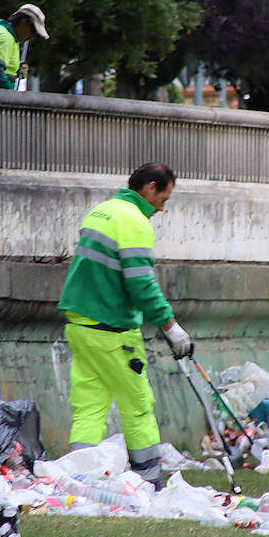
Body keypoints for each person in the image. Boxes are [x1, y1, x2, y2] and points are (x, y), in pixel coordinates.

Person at [56, 162, 193, 489]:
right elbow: (141, 284)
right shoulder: (134, 223)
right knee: (138, 404)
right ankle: (149, 479)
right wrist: (171, 326)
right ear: (149, 188)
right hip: (112, 330)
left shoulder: (101, 212)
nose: (163, 208)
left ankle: (80, 476)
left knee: (89, 405)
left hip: (80, 324)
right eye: (164, 198)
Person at [0, 3, 48, 89]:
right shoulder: (4, 37)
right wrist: (12, 97)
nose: (32, 37)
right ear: (23, 22)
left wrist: (16, 72)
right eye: (34, 31)